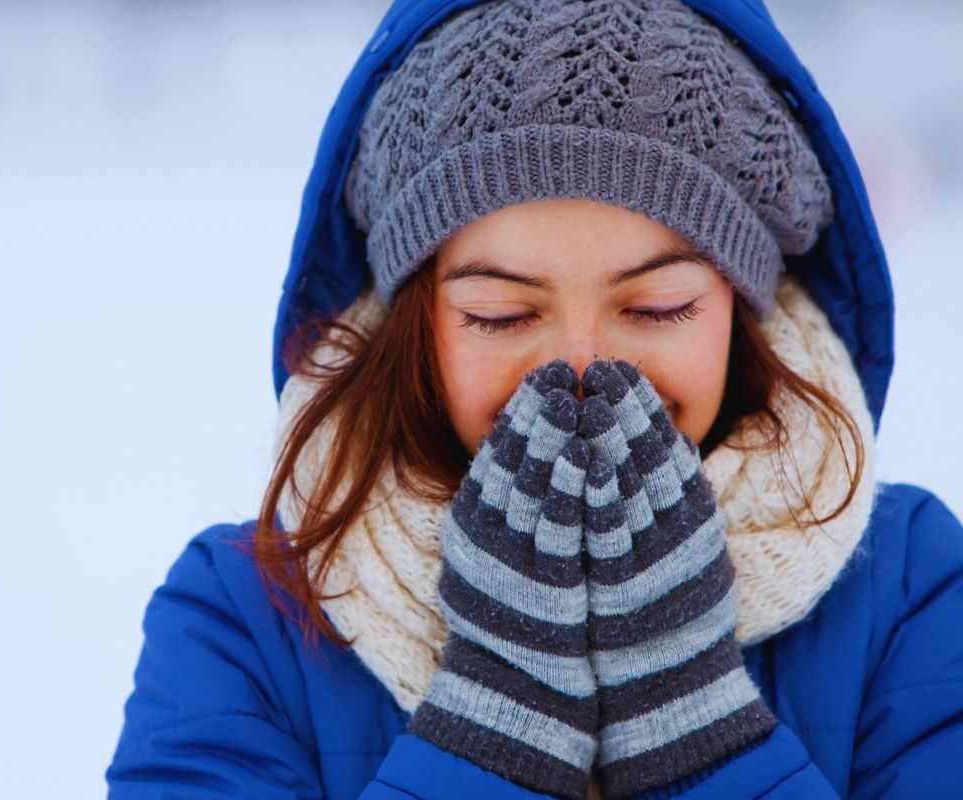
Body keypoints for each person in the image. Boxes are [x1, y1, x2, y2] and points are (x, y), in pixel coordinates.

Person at [105, 1, 963, 797]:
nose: (582, 370)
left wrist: (697, 728)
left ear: (740, 308)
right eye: (502, 314)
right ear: (418, 323)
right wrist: (493, 729)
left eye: (658, 307)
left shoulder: (910, 591)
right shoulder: (243, 623)